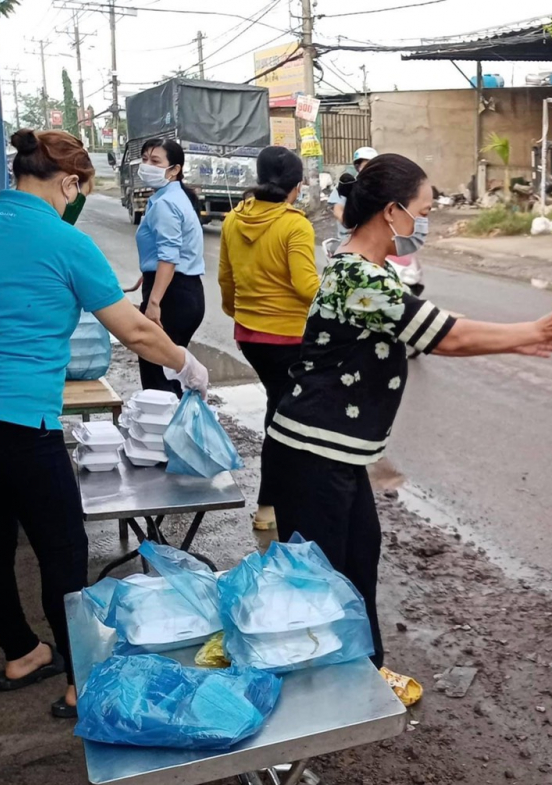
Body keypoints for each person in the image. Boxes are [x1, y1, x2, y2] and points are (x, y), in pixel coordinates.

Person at [263, 154, 552, 669]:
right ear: (393, 212)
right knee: (320, 588)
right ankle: (323, 700)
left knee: (355, 567)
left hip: (337, 456)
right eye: (424, 210)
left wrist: (514, 341)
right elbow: (446, 337)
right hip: (311, 454)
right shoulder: (358, 278)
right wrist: (531, 331)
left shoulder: (372, 271)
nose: (427, 222)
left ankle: (361, 679)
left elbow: (437, 321)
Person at [0, 129, 209, 719]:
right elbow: (133, 330)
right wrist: (186, 363)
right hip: (20, 423)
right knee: (63, 546)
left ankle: (21, 652)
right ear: (68, 182)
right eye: (78, 190)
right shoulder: (64, 241)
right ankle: (80, 677)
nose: (76, 200)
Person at [219, 146, 320, 533]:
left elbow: (226, 280)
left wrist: (239, 315)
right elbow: (306, 285)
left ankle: (275, 503)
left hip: (250, 336)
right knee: (285, 421)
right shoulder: (295, 225)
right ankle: (272, 505)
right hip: (289, 339)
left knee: (278, 410)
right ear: (296, 187)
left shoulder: (233, 219)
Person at [129, 138, 206, 395]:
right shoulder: (173, 197)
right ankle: (178, 431)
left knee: (159, 382)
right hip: (183, 291)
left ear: (174, 169)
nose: (147, 166)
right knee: (171, 376)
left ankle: (169, 433)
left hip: (171, 296)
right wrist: (147, 274)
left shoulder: (165, 204)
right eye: (145, 159)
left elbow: (170, 258)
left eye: (155, 161)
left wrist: (153, 303)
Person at [328, 146, 378, 245]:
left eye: (374, 166)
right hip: (350, 238)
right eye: (366, 165)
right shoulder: (347, 185)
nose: (370, 169)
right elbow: (338, 210)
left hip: (375, 237)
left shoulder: (380, 187)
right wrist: (351, 224)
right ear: (358, 167)